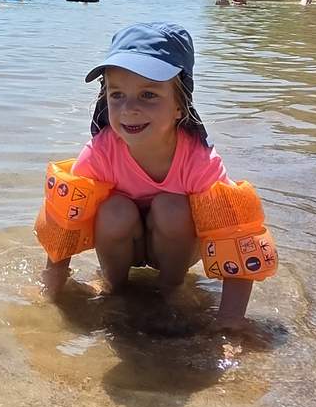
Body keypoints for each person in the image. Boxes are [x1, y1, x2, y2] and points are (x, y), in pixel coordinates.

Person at [38, 23, 267, 330]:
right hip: (122, 244)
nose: (129, 108)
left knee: (171, 207)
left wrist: (230, 322)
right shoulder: (102, 151)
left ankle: (172, 288)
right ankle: (113, 286)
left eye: (148, 94)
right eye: (117, 94)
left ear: (179, 106)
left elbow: (236, 240)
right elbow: (65, 221)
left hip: (174, 247)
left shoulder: (198, 160)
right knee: (114, 210)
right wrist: (50, 291)